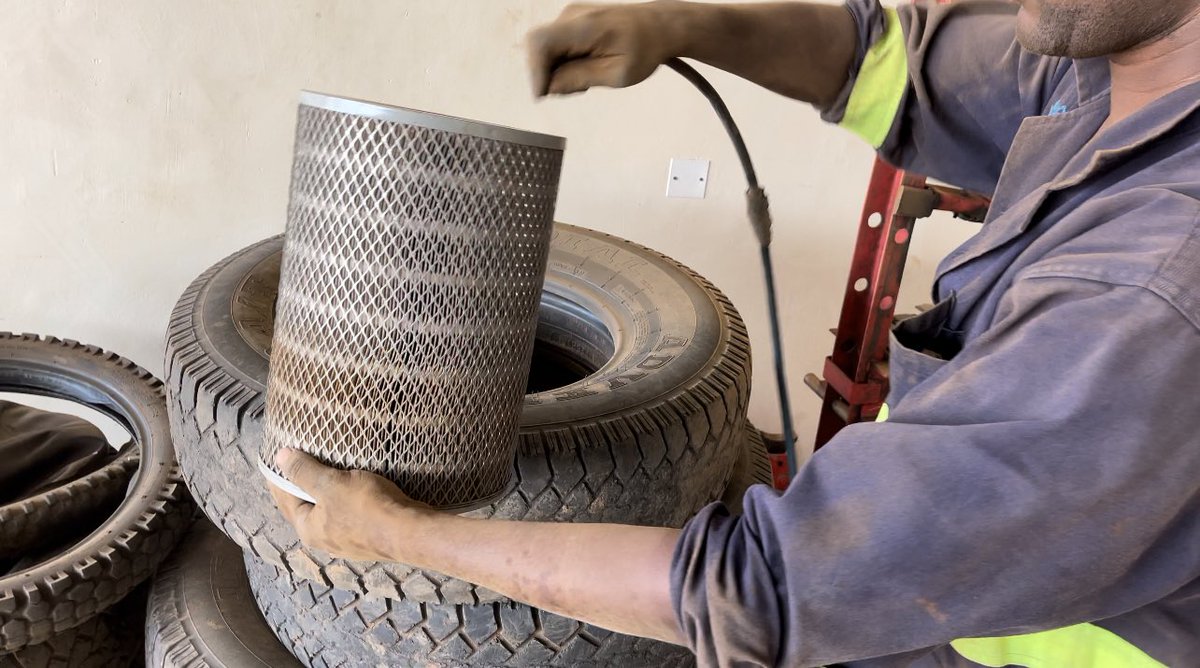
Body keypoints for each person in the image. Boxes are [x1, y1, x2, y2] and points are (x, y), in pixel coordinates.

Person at [269, 0, 1200, 664]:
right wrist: (683, 24)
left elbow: (762, 587)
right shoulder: (1114, 61)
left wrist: (398, 535)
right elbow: (891, 67)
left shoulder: (1153, 291)